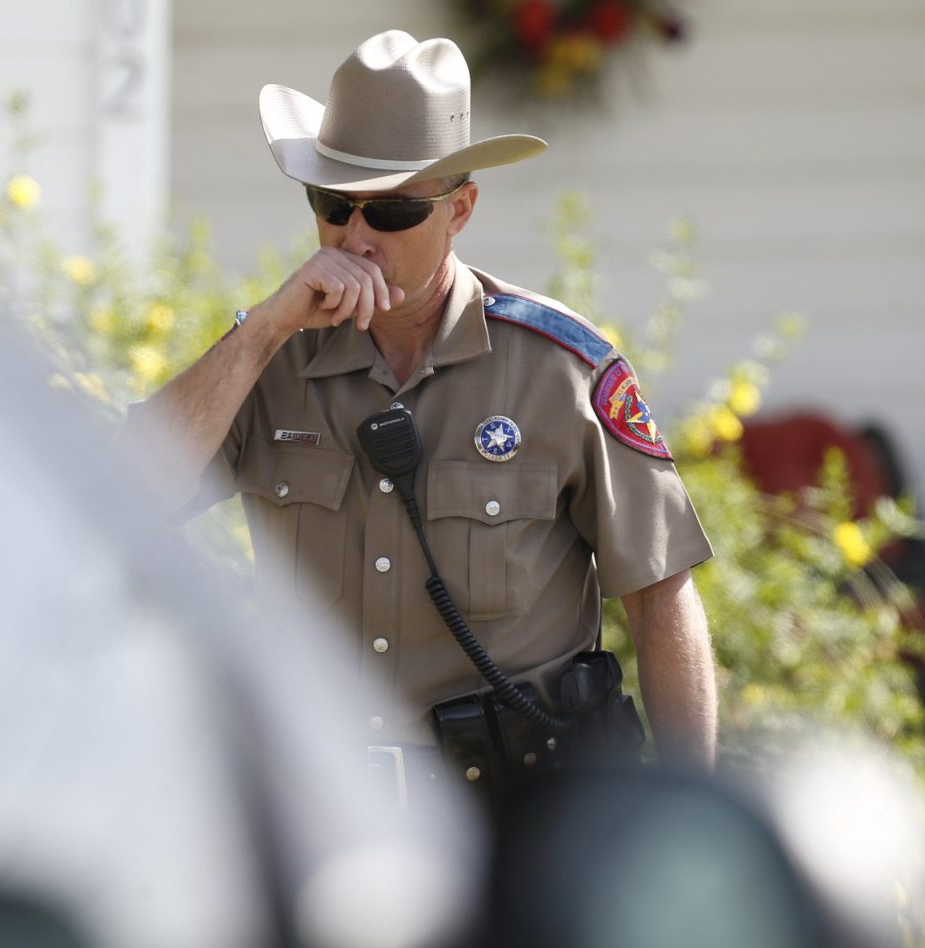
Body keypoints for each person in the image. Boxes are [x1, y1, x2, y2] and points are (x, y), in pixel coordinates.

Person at [131, 30, 717, 783]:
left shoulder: (558, 370)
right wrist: (262, 331)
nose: (357, 237)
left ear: (460, 209)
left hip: (516, 807)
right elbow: (124, 491)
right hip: (322, 801)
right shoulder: (268, 358)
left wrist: (687, 813)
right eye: (333, 204)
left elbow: (661, 594)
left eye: (394, 213)